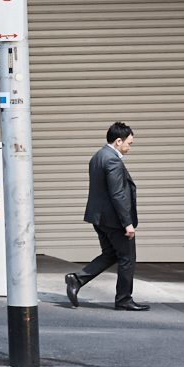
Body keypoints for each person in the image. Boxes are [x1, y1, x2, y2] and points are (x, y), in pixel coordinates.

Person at [65, 121, 145, 311]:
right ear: (118, 141)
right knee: (127, 258)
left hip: (99, 218)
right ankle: (124, 299)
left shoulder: (97, 156)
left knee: (110, 254)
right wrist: (127, 223)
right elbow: (118, 194)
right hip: (114, 220)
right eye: (129, 143)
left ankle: (77, 279)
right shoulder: (112, 160)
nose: (129, 147)